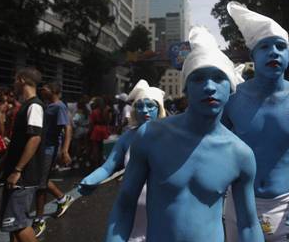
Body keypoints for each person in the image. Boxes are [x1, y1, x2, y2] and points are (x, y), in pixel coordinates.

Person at [105, 26, 263, 242]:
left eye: (218, 78)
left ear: (231, 88)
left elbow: (248, 224)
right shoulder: (151, 136)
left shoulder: (240, 154)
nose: (209, 86)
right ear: (185, 88)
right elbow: (125, 205)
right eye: (198, 78)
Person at [223, 2, 289, 241]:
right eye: (264, 47)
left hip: (288, 205)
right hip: (239, 203)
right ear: (253, 55)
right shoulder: (233, 99)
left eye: (281, 47)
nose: (273, 52)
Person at [79, 79, 165, 242]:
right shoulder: (127, 137)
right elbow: (108, 167)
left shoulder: (171, 136)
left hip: (162, 215)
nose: (144, 111)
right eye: (139, 106)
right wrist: (91, 179)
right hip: (130, 213)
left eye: (150, 106)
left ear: (159, 109)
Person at [0, 67, 45, 242]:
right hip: (17, 174)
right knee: (12, 226)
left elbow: (35, 138)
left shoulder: (34, 106)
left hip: (24, 177)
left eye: (15, 79)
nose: (13, 83)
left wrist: (18, 170)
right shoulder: (27, 106)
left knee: (18, 226)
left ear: (22, 80)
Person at [32, 82, 74, 237]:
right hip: (43, 147)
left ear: (53, 91)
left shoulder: (59, 106)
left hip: (50, 149)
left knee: (40, 185)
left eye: (45, 88)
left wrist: (64, 150)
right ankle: (63, 198)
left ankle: (39, 220)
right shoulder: (48, 105)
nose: (42, 90)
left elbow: (67, 127)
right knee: (40, 179)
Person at [89, 96, 110, 168]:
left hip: (96, 129)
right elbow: (108, 121)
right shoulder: (106, 111)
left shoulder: (94, 112)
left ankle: (96, 164)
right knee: (102, 148)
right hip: (104, 129)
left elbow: (91, 123)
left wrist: (90, 131)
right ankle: (102, 163)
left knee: (96, 148)